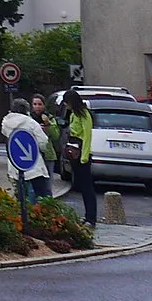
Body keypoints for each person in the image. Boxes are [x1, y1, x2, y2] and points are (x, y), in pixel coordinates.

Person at [0, 97, 54, 199]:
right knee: (43, 194)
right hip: (34, 163)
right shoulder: (31, 123)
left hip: (15, 163)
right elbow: (43, 141)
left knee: (21, 195)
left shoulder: (6, 123)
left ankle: (23, 212)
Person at [61, 89, 98, 224]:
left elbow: (87, 136)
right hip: (74, 152)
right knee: (81, 186)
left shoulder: (84, 115)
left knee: (87, 187)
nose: (66, 105)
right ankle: (87, 216)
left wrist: (84, 156)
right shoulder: (73, 115)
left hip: (82, 153)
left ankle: (91, 217)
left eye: (67, 102)